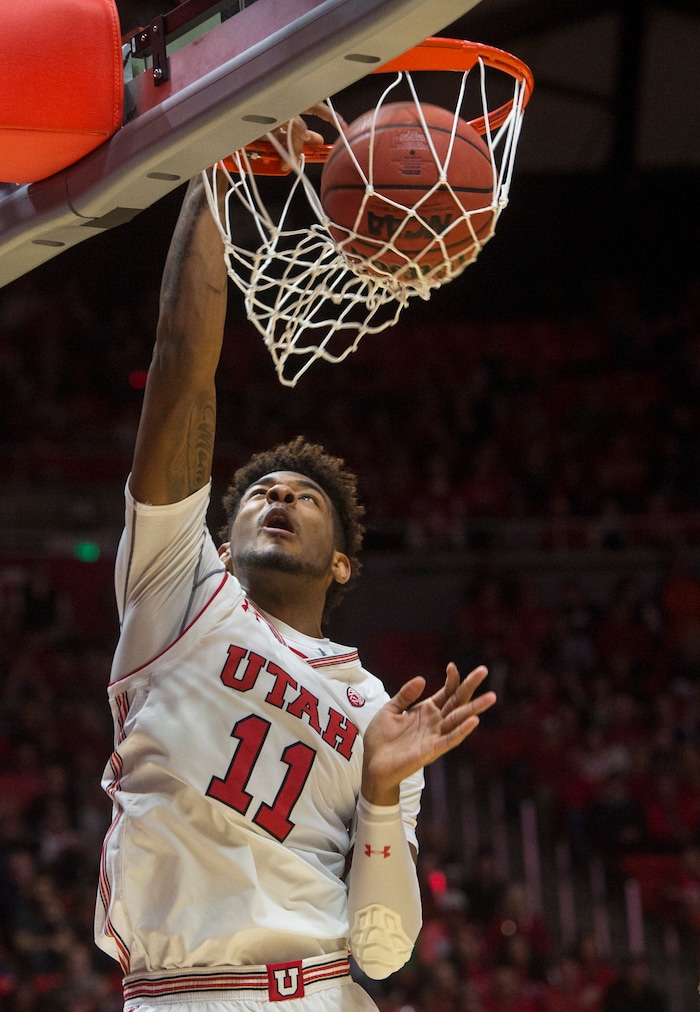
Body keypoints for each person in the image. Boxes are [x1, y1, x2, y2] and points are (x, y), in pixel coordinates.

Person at [94, 108, 496, 1012]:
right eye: (259, 494)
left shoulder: (373, 710)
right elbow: (181, 366)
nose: (276, 498)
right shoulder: (177, 592)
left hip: (318, 994)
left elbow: (385, 955)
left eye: (302, 496)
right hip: (171, 995)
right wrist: (215, 176)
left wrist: (387, 790)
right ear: (222, 532)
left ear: (343, 564)